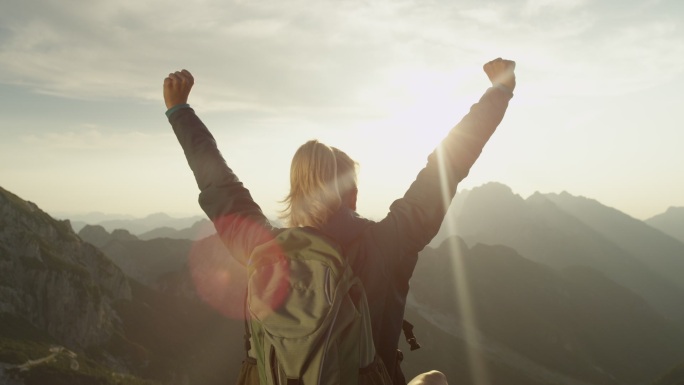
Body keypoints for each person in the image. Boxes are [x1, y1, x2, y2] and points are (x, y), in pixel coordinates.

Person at [164, 57, 516, 385]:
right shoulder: (389, 242)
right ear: (353, 195)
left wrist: (180, 110)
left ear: (295, 191)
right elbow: (446, 168)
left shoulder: (262, 248)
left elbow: (218, 183)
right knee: (435, 380)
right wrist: (499, 92)